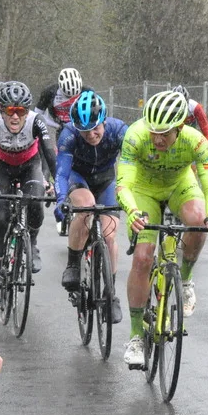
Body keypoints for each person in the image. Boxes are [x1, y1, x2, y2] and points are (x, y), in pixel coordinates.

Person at [116, 89, 208, 368]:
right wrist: (132, 211)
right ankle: (136, 336)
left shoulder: (196, 141)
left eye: (164, 133)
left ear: (180, 127)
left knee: (198, 219)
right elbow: (124, 184)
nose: (158, 139)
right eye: (153, 132)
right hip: (143, 191)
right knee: (143, 257)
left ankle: (185, 279)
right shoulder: (135, 135)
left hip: (179, 186)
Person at [56, 90, 128, 324]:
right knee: (85, 207)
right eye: (84, 130)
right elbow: (61, 173)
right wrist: (60, 200)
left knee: (109, 235)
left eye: (95, 128)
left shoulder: (119, 131)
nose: (90, 135)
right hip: (78, 177)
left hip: (106, 179)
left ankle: (111, 295)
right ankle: (73, 264)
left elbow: (133, 163)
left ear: (104, 120)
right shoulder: (69, 135)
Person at [0, 82, 57, 307]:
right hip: (1, 167)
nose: (15, 116)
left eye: (21, 111)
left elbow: (49, 155)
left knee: (35, 202)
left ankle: (32, 243)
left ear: (27, 111)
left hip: (29, 166)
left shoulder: (37, 120)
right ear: (1, 110)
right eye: (10, 110)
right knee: (0, 217)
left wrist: (57, 184)